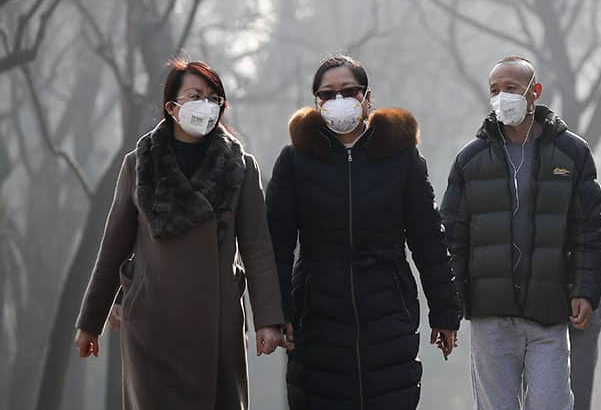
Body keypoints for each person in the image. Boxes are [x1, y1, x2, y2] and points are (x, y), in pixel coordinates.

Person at [74, 59, 286, 410]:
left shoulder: (241, 166)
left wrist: (268, 320)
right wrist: (89, 324)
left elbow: (257, 247)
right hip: (151, 322)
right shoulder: (139, 164)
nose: (206, 104)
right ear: (172, 107)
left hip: (217, 323)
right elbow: (113, 247)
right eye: (195, 95)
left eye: (213, 97)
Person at [266, 54, 460, 409]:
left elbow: (429, 238)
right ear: (316, 103)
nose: (338, 100)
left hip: (388, 311)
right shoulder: (295, 160)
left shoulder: (401, 158)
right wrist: (278, 313)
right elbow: (276, 243)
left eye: (348, 91)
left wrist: (445, 312)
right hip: (317, 316)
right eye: (327, 94)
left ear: (367, 98)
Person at [441, 56, 601, 410]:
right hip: (490, 314)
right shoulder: (470, 160)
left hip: (549, 311)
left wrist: (585, 291)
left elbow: (590, 229)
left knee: (552, 403)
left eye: (511, 88)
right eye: (495, 90)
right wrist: (449, 306)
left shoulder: (572, 153)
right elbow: (453, 237)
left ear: (535, 92)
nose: (503, 96)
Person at [569, 253, 601, 410]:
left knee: (579, 401)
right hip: (542, 331)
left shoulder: (590, 232)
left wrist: (599, 318)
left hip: (582, 338)